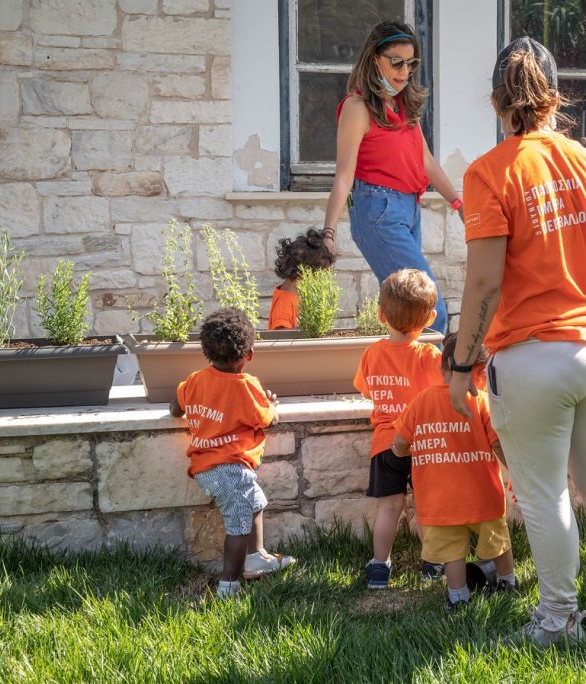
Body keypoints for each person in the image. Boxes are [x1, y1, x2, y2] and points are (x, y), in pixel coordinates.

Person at [448, 36, 586, 648]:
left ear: (496, 102)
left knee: (544, 493)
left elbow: (484, 283)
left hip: (535, 356)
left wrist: (461, 365)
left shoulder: (489, 173)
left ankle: (559, 619)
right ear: (556, 99)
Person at [323, 21, 461, 336]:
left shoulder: (402, 106)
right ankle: (431, 382)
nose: (403, 71)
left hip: (408, 210)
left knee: (408, 315)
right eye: (395, 62)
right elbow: (344, 176)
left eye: (410, 64)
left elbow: (425, 161)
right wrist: (328, 232)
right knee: (428, 309)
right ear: (374, 59)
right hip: (377, 211)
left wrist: (457, 201)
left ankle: (403, 380)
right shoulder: (357, 108)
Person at [170, 308, 296, 598]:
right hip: (230, 467)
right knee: (238, 525)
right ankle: (229, 584)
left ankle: (257, 558)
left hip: (204, 466)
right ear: (248, 354)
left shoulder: (194, 380)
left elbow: (175, 407)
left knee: (255, 502)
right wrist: (272, 403)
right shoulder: (245, 385)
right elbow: (267, 418)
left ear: (207, 352)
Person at [393, 333, 517, 610]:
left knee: (452, 553)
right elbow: (498, 445)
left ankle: (458, 596)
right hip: (483, 496)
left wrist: (403, 452)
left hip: (439, 501)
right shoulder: (481, 402)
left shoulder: (421, 401)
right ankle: (508, 581)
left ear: (443, 367)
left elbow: (400, 442)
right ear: (478, 371)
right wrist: (519, 474)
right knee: (498, 541)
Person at [353, 268, 442, 589]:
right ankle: (433, 563)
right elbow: (444, 391)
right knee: (426, 507)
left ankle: (379, 566)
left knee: (389, 507)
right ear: (430, 317)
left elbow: (365, 389)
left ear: (380, 314)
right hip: (422, 445)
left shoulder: (371, 354)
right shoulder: (429, 356)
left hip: (385, 444)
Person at [268, 229, 334, 330]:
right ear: (305, 274)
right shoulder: (284, 303)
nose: (320, 283)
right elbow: (280, 338)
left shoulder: (297, 297)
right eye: (319, 277)